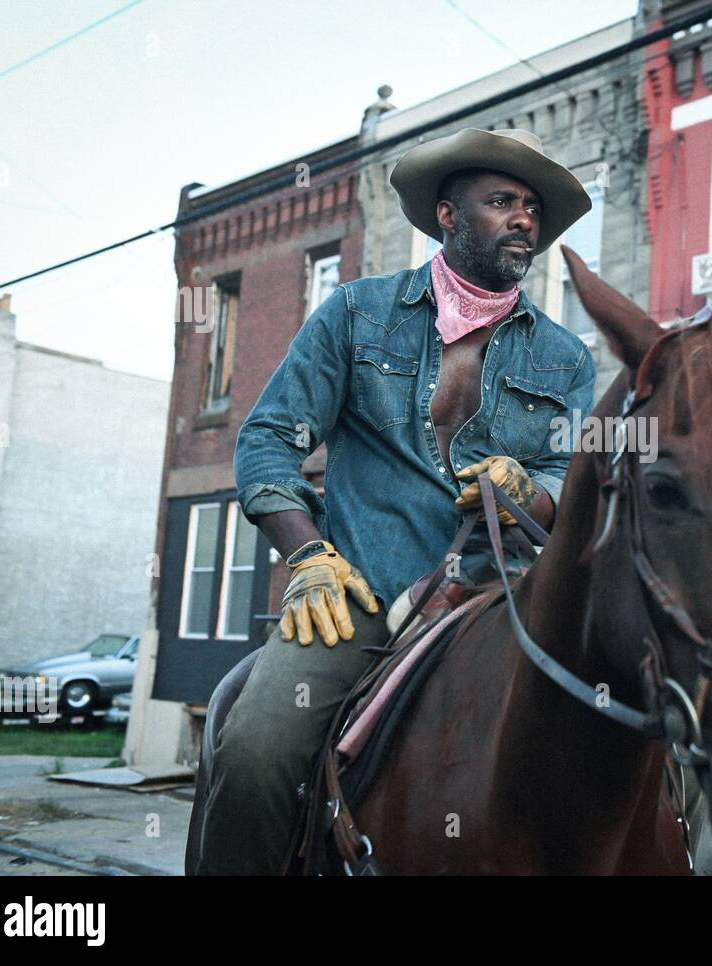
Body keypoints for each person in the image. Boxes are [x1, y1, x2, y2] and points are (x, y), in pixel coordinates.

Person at [192, 128, 596, 874]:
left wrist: (529, 491)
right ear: (447, 215)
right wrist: (308, 556)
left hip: (498, 606)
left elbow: (573, 481)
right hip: (358, 597)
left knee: (652, 748)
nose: (524, 220)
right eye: (502, 201)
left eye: (533, 208)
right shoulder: (355, 314)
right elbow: (269, 439)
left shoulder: (567, 358)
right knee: (252, 751)